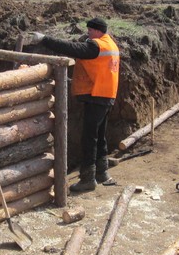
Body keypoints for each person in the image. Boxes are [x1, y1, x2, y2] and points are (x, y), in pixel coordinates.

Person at [28, 18, 120, 192]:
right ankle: (102, 173)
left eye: (90, 30)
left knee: (89, 138)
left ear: (98, 31)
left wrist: (44, 39)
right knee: (99, 136)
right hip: (105, 95)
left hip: (97, 95)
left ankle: (87, 179)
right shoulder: (110, 44)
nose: (88, 34)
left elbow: (72, 49)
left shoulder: (96, 46)